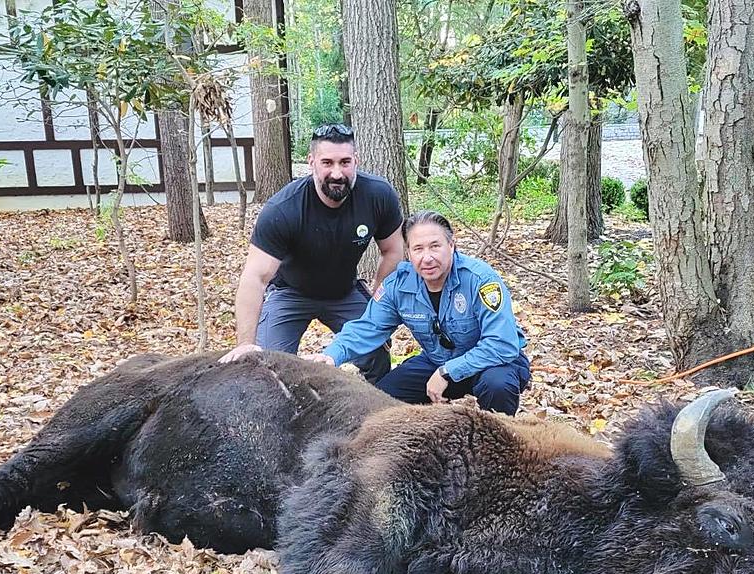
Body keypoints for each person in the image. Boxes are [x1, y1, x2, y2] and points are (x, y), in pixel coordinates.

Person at [219, 123, 404, 382]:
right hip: (290, 293)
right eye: (327, 162)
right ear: (311, 162)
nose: (337, 173)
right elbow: (254, 278)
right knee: (268, 368)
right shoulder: (283, 209)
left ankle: (378, 416)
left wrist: (377, 298)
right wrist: (244, 343)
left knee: (377, 354)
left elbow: (394, 251)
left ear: (356, 162)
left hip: (344, 292)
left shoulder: (378, 195)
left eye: (345, 162)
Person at [308, 210, 531, 414]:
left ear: (452, 245)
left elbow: (502, 344)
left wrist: (447, 371)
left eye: (435, 246)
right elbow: (368, 328)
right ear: (408, 253)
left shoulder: (480, 279)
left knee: (498, 385)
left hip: (493, 364)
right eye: (418, 249)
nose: (427, 257)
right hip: (437, 360)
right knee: (382, 398)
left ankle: (496, 450)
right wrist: (331, 355)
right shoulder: (399, 285)